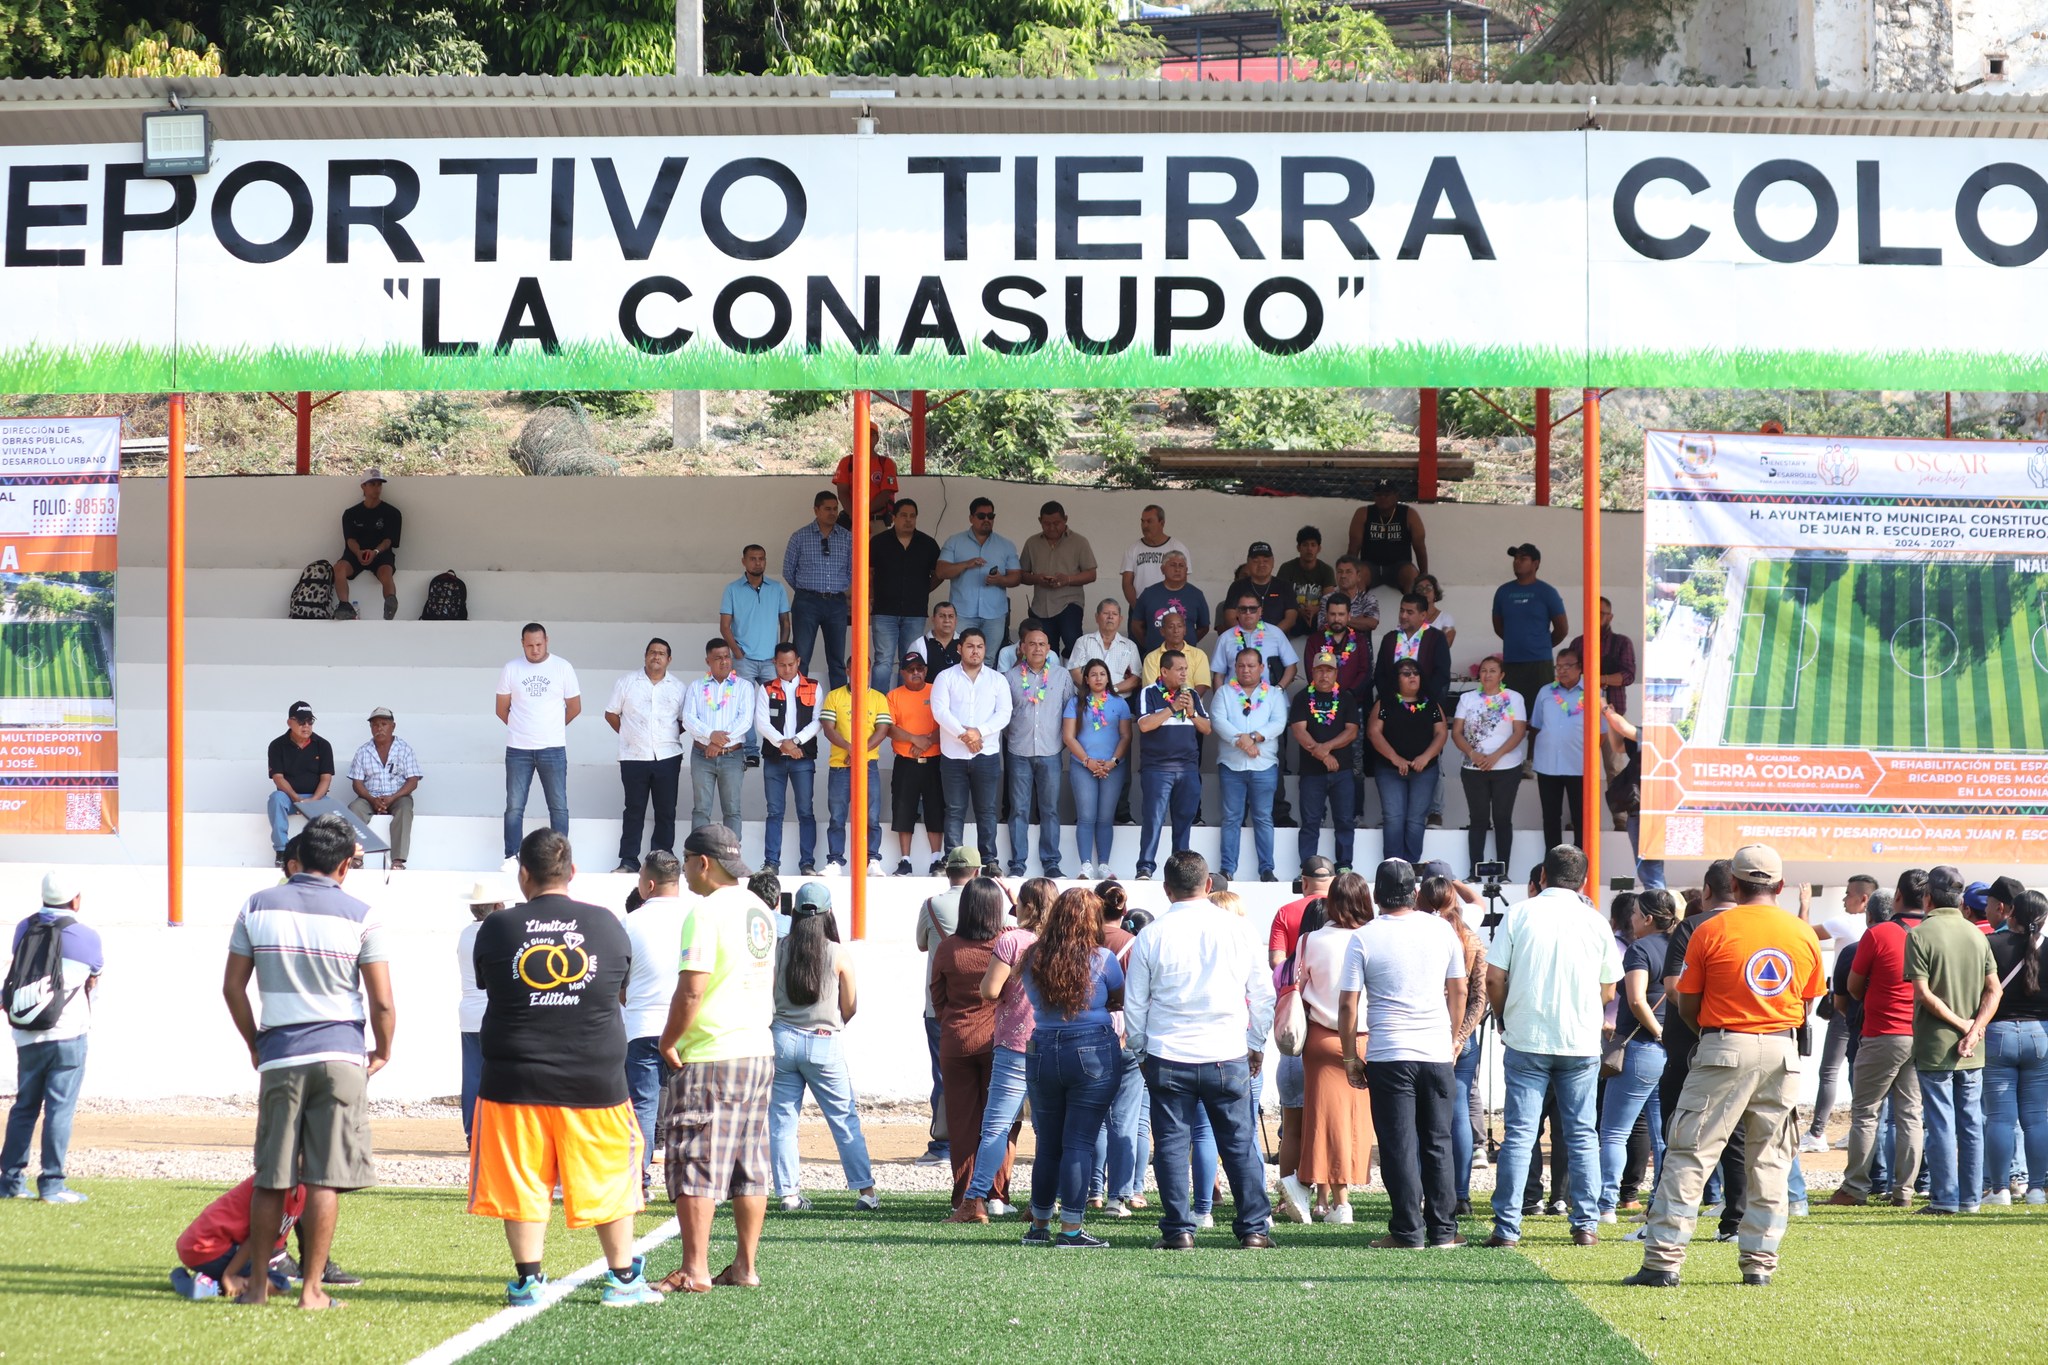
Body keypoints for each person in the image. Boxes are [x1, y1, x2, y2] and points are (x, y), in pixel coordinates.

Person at [1624, 844, 1824, 1289]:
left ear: (1732, 884)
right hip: (1782, 1050)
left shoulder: (1712, 928)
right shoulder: (1802, 932)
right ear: (1780, 886)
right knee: (1771, 1160)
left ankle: (1663, 1262)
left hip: (1723, 1044)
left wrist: (1713, 1036)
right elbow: (1808, 999)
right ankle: (1759, 1265)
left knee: (1691, 1153)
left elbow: (1687, 1000)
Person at [465, 829, 651, 1306]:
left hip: (513, 1079)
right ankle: (623, 1278)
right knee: (611, 1176)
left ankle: (528, 1280)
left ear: (523, 874)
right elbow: (615, 985)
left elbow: (490, 984)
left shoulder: (497, 928)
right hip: (595, 1081)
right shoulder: (608, 924)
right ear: (572, 873)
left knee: (522, 1180)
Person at [220, 813, 394, 1309]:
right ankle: (312, 1291)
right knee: (324, 1176)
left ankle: (257, 1289)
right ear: (343, 865)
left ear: (297, 859)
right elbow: (382, 1002)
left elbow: (233, 986)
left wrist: (255, 1042)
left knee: (273, 1174)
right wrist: (382, 1050)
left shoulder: (257, 905)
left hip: (280, 1054)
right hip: (341, 1054)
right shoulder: (362, 914)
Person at [650, 824, 776, 1293]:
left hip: (710, 1053)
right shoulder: (759, 910)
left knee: (694, 1156)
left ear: (703, 862)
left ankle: (695, 1268)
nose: (683, 872)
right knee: (749, 1162)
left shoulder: (704, 913)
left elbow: (692, 990)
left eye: (686, 862)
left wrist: (668, 1041)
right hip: (757, 1050)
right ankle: (745, 1265)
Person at [1483, 844, 1619, 1249]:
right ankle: (1585, 1224)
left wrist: (1507, 1015)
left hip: (1527, 1037)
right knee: (1581, 1134)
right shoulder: (1596, 922)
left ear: (1542, 876)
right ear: (1583, 881)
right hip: (1579, 1041)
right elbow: (1609, 989)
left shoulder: (1519, 914)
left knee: (1521, 1135)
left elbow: (1493, 979)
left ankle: (1507, 1228)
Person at [1338, 860, 1468, 1248]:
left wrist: (1350, 1056)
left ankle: (1408, 1230)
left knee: (1398, 1145)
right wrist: (1453, 1038)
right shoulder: (1442, 928)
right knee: (1437, 1140)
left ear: (1376, 896)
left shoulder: (1364, 937)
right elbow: (1459, 990)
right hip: (1435, 1049)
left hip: (1390, 1052)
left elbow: (1348, 1005)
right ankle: (1444, 1230)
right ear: (1416, 893)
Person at [1013, 887, 1126, 1247]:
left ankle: (1039, 1225)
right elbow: (1119, 998)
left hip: (1043, 1047)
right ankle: (1071, 1230)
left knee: (1048, 1143)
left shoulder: (1033, 956)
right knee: (1079, 1142)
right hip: (1092, 1048)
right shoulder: (1103, 958)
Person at [768, 883, 880, 1213]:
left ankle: (789, 1194)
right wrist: (834, 1022)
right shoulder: (838, 953)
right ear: (828, 913)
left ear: (795, 912)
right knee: (844, 1119)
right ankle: (866, 1192)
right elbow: (851, 1005)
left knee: (782, 1122)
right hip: (824, 1040)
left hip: (782, 1039)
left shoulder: (780, 948)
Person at [954, 878, 1053, 1223]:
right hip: (1051, 1043)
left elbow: (989, 990)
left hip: (1014, 1042)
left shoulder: (1012, 940)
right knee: (1047, 1131)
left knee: (995, 1126)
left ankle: (974, 1200)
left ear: (1024, 906)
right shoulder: (1059, 942)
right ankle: (1042, 1203)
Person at [1907, 864, 2001, 1215]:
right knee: (1971, 1122)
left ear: (1928, 897)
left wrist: (1962, 1025)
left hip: (1936, 1044)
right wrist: (1975, 1029)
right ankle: (1971, 1199)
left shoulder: (1920, 934)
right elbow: (1994, 991)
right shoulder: (1977, 934)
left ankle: (1945, 1197)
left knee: (1941, 1123)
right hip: (1973, 1048)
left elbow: (1923, 994)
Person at [2, 872, 101, 1204]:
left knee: (24, 1107)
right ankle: (52, 1184)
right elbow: (94, 980)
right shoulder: (86, 936)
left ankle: (10, 1182)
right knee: (59, 1109)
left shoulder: (23, 928)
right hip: (68, 1034)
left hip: (27, 1033)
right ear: (75, 900)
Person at [1296, 872, 1376, 1224]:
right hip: (1363, 1037)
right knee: (1352, 1122)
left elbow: (1297, 987)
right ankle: (1340, 1199)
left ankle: (1326, 1198)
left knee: (1322, 1118)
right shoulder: (1373, 937)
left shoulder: (1310, 941)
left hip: (1319, 1035)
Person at [931, 879, 1014, 1212]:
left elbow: (937, 997)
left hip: (956, 1041)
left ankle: (966, 1196)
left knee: (963, 1124)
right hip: (999, 1041)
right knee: (1001, 1121)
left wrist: (953, 1021)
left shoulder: (948, 949)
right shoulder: (1006, 943)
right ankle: (997, 1194)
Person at [1598, 889, 1678, 1222]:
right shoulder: (1677, 947)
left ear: (1647, 918)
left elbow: (1635, 1000)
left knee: (1614, 1131)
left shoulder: (1639, 949)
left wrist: (1657, 1033)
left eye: (1635, 914)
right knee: (1662, 1135)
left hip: (1641, 1047)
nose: (1630, 920)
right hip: (1667, 1051)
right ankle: (1658, 1205)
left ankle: (1605, 1205)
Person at [1421, 873, 1488, 1215]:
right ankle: (1460, 1195)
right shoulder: (1469, 938)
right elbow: (1479, 996)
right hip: (1461, 1037)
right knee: (1459, 1112)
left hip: (1422, 1032)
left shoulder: (1417, 936)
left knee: (1422, 1115)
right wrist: (1460, 1038)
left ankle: (1424, 1191)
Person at [623, 853, 688, 1198]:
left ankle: (639, 1182)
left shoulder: (631, 922)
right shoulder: (697, 917)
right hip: (687, 1026)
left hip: (642, 1026)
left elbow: (620, 984)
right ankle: (688, 1183)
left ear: (648, 885)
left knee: (643, 1105)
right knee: (688, 1106)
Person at [1800, 873, 1879, 1152]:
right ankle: (1859, 1130)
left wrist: (1805, 904)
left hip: (1844, 1004)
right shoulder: (1877, 928)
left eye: (1848, 894)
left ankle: (1817, 1132)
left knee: (1829, 1071)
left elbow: (1802, 933)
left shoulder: (1845, 922)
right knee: (1856, 1069)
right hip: (1870, 1005)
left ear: (1863, 899)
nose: (1845, 899)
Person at [495, 624, 581, 867]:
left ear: (547, 641)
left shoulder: (562, 667)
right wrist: (522, 728)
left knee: (558, 806)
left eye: (539, 644)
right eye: (530, 645)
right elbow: (501, 709)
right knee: (514, 806)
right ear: (522, 643)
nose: (535, 650)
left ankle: (561, 859)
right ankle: (511, 856)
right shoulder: (511, 669)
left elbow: (574, 707)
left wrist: (551, 728)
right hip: (518, 749)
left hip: (553, 748)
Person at [1984, 889, 2048, 1206]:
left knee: (1999, 1119)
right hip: (2040, 1036)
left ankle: (1999, 1190)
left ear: (2011, 913)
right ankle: (2036, 1189)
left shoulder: (1992, 944)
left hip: (1997, 1034)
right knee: (2037, 1118)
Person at [915, 850, 978, 1171]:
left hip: (939, 1005)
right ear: (977, 871)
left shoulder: (932, 905)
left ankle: (943, 1145)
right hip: (982, 1004)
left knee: (943, 1076)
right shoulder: (989, 903)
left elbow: (921, 944)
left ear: (948, 872)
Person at [932, 629, 1011, 874]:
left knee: (986, 810)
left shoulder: (997, 679)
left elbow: (1004, 713)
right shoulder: (945, 677)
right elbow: (940, 711)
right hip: (954, 755)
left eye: (979, 646)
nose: (975, 650)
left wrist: (979, 732)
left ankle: (988, 860)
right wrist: (965, 735)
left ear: (985, 649)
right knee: (954, 809)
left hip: (985, 755)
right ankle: (953, 860)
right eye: (970, 646)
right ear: (959, 649)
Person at [605, 637, 686, 873]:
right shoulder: (627, 682)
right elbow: (611, 714)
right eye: (652, 652)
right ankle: (629, 860)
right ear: (645, 655)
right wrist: (630, 734)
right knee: (634, 809)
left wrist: (663, 735)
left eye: (661, 653)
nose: (656, 656)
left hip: (668, 756)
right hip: (633, 757)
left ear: (669, 659)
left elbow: (683, 721)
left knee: (666, 810)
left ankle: (661, 861)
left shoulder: (678, 687)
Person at [1211, 646, 1288, 883]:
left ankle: (1266, 869)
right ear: (1235, 668)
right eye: (1241, 665)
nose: (1246, 670)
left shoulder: (1274, 694)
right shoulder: (1224, 692)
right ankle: (1227, 869)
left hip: (1264, 765)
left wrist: (1252, 737)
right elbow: (1218, 720)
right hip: (1231, 765)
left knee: (1263, 817)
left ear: (1261, 668)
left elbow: (1279, 723)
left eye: (1251, 666)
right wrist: (1241, 741)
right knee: (1231, 817)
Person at [1133, 650, 1210, 882]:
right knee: (1153, 820)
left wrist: (1192, 712)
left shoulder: (1192, 694)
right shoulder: (1149, 692)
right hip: (1157, 768)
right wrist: (1172, 707)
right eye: (1179, 669)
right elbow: (1145, 725)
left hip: (1187, 769)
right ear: (1164, 671)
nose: (1185, 673)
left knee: (1184, 821)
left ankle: (1180, 873)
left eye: (1186, 668)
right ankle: (1145, 868)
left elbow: (1206, 728)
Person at [1005, 623, 1073, 879]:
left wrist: (1062, 741)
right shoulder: (1010, 677)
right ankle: (1017, 864)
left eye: (1041, 644)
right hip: (1019, 752)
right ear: (1022, 647)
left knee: (1050, 809)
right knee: (1019, 809)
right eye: (1031, 643)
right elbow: (1004, 717)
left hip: (1051, 751)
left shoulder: (1061, 676)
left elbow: (1070, 712)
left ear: (1049, 649)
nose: (1036, 648)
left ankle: (1051, 863)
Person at [1453, 658, 1529, 876]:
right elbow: (1456, 732)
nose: (1487, 675)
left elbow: (1519, 732)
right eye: (1484, 671)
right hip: (1472, 768)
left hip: (1506, 767)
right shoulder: (1467, 698)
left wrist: (1495, 756)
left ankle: (1503, 871)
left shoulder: (1514, 698)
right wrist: (1472, 754)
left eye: (1493, 671)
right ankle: (1474, 870)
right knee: (1478, 819)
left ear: (1502, 675)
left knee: (1502, 819)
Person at [169, 1176, 303, 1300]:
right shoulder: (275, 1184)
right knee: (280, 1283)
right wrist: (230, 1275)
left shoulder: (298, 1192)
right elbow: (257, 1239)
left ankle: (183, 1277)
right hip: (209, 1247)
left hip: (198, 1245)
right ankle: (210, 1288)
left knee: (267, 1276)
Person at [1368, 660, 1448, 864]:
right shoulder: (1385, 704)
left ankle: (1411, 867)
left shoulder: (1431, 704)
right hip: (1389, 770)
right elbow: (1374, 732)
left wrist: (1426, 757)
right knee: (1394, 818)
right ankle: (1393, 867)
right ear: (1396, 679)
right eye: (1406, 673)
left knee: (1415, 820)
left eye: (1416, 673)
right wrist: (1395, 758)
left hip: (1424, 770)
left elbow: (1440, 733)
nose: (1412, 676)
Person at [719, 544, 791, 766]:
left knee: (777, 706)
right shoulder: (732, 589)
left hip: (770, 660)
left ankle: (777, 747)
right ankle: (751, 751)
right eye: (753, 558)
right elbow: (725, 626)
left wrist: (780, 651)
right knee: (745, 707)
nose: (757, 562)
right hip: (745, 660)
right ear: (744, 562)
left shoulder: (777, 589)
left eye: (761, 558)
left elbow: (785, 622)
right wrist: (738, 652)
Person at [753, 642, 821, 877]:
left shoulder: (813, 686)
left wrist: (796, 742)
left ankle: (807, 864)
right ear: (774, 663)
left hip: (802, 758)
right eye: (781, 664)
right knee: (774, 812)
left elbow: (818, 721)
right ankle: (771, 863)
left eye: (791, 664)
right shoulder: (766, 688)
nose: (786, 668)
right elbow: (762, 723)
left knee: (805, 811)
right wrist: (784, 744)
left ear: (799, 662)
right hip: (774, 758)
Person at [1529, 647, 1606, 852]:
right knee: (1551, 817)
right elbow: (1536, 725)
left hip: (1579, 766)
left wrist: (1586, 755)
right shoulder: (1545, 692)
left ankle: (1580, 863)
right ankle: (1553, 863)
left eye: (1568, 666)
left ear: (1580, 667)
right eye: (1559, 666)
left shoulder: (1593, 692)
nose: (1562, 671)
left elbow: (1602, 733)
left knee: (1581, 818)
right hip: (1547, 765)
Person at [1062, 660, 1133, 881]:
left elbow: (1126, 736)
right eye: (1093, 674)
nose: (1099, 678)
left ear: (1109, 678)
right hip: (1083, 766)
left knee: (1105, 817)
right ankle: (1085, 865)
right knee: (1086, 817)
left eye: (1103, 674)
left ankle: (1103, 864)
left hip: (1112, 767)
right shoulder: (1075, 703)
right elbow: (1068, 736)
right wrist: (1087, 761)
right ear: (1086, 679)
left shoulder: (1120, 703)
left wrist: (1113, 761)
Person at [1291, 652, 1362, 872]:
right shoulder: (1302, 698)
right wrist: (1323, 755)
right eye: (1320, 670)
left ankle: (1344, 866)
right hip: (1312, 772)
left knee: (1344, 821)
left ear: (1336, 673)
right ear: (1312, 672)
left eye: (1329, 670)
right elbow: (1299, 732)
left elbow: (1351, 732)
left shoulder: (1346, 698)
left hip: (1342, 771)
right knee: (1310, 822)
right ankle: (1308, 867)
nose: (1324, 674)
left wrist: (1326, 748)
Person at [683, 638, 755, 838]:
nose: (724, 661)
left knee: (732, 809)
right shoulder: (697, 687)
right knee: (701, 809)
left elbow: (745, 720)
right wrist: (710, 735)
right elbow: (688, 718)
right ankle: (697, 856)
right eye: (718, 658)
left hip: (732, 755)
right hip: (701, 755)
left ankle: (731, 859)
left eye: (727, 657)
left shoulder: (744, 687)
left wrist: (716, 742)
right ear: (708, 661)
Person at [455, 878, 507, 1148]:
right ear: (497, 905)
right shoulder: (499, 932)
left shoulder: (466, 933)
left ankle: (473, 1133)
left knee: (473, 1074)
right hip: (494, 1012)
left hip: (470, 1012)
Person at [784, 489, 853, 690]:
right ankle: (797, 702)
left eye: (835, 509)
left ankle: (838, 707)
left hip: (836, 603)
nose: (832, 513)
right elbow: (788, 570)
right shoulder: (800, 536)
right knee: (801, 657)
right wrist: (807, 591)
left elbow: (852, 570)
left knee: (837, 660)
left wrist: (837, 587)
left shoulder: (847, 538)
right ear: (816, 510)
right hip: (807, 602)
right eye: (827, 509)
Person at [821, 676, 890, 877]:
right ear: (848, 670)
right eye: (854, 669)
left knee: (872, 816)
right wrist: (850, 748)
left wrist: (859, 752)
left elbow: (883, 729)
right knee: (837, 816)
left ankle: (873, 860)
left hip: (868, 765)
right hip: (840, 766)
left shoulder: (878, 698)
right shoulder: (834, 696)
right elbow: (828, 728)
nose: (860, 673)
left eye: (865, 669)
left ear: (868, 671)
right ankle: (835, 860)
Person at [869, 497, 940, 692]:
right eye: (903, 516)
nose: (908, 520)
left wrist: (923, 589)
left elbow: (939, 573)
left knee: (910, 660)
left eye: (912, 516)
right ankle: (879, 709)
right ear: (894, 517)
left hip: (915, 612)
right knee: (883, 660)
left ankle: (904, 707)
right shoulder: (879, 542)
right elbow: (868, 573)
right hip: (884, 611)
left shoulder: (928, 544)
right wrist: (872, 596)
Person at [886, 653, 946, 876]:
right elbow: (889, 728)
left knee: (936, 809)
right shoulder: (893, 696)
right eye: (910, 669)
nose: (916, 673)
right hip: (905, 762)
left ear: (926, 670)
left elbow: (948, 722)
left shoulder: (936, 691)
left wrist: (927, 740)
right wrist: (915, 739)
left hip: (934, 761)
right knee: (903, 809)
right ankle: (905, 860)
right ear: (902, 673)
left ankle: (936, 860)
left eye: (920, 668)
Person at [342, 707, 422, 871]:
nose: (379, 728)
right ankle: (356, 858)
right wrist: (372, 799)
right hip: (369, 797)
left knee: (405, 808)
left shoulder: (404, 749)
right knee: (354, 808)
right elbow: (357, 783)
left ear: (393, 726)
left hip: (398, 796)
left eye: (384, 724)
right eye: (375, 725)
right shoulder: (363, 751)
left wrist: (392, 797)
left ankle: (398, 860)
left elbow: (413, 781)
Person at [936, 496, 1022, 647]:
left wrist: (1000, 580)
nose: (986, 519)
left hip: (994, 615)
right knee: (960, 657)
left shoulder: (1006, 545)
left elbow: (1016, 577)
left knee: (988, 660)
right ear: (971, 518)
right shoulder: (954, 541)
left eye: (991, 516)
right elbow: (941, 572)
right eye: (981, 516)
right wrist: (966, 564)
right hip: (963, 613)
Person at [1017, 501, 1097, 657]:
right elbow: (1022, 575)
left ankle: (1073, 677)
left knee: (1073, 641)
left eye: (1056, 523)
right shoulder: (1032, 543)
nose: (1052, 528)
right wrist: (1037, 579)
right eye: (1047, 524)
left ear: (1065, 519)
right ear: (1040, 521)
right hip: (1041, 606)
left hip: (1070, 602)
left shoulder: (1079, 542)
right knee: (1046, 649)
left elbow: (1091, 574)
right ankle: (1049, 679)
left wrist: (1067, 579)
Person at [1493, 544, 1569, 708]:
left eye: (1523, 558)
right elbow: (1498, 626)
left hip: (1539, 664)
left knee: (1540, 712)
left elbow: (1562, 629)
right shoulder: (1503, 592)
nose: (1517, 562)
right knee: (1512, 713)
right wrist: (1516, 642)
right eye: (1515, 558)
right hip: (1511, 662)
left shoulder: (1547, 592)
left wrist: (1540, 644)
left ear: (1536, 563)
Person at [266, 700, 334, 869]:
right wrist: (295, 798)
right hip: (289, 797)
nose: (306, 726)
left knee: (332, 808)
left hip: (316, 797)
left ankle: (321, 854)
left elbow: (326, 778)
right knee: (275, 799)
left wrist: (314, 800)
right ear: (290, 722)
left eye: (310, 722)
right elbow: (278, 778)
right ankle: (282, 851)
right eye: (301, 722)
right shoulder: (277, 745)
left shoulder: (323, 745)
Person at [330, 469, 400, 621]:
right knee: (339, 568)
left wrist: (375, 551)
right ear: (363, 486)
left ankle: (390, 601)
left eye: (379, 485)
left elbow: (389, 541)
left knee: (386, 571)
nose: (377, 488)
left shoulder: (392, 513)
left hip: (380, 553)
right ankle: (344, 605)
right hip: (355, 553)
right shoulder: (350, 513)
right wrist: (358, 552)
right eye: (372, 484)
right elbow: (350, 540)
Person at [1346, 479, 1428, 593]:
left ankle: (1412, 608)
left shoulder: (1409, 514)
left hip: (1400, 567)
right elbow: (1353, 547)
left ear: (1396, 496)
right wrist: (1349, 573)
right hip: (1370, 566)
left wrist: (1425, 577)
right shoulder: (1363, 513)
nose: (1383, 498)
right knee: (1358, 575)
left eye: (1387, 494)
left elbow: (1420, 548)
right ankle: (1356, 609)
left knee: (1412, 574)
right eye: (1379, 494)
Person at [1374, 593, 1453, 707]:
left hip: (1425, 704)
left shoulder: (1436, 638)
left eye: (1409, 612)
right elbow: (1380, 673)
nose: (1403, 616)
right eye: (1402, 611)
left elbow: (1442, 673)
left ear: (1423, 615)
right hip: (1392, 703)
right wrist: (1390, 697)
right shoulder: (1389, 638)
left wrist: (1423, 698)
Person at [1210, 590, 1299, 689]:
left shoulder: (1276, 634)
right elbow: (1219, 675)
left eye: (1252, 609)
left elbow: (1291, 666)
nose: (1248, 613)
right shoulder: (1225, 638)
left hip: (1271, 699)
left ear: (1260, 611)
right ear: (1237, 612)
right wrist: (1220, 700)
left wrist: (1279, 689)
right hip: (1234, 700)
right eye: (1243, 609)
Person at [1569, 596, 1637, 720]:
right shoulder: (1577, 643)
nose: (1594, 617)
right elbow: (1570, 674)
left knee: (1612, 740)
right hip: (1581, 712)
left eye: (1600, 613)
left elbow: (1628, 676)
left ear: (1610, 617)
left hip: (1613, 713)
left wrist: (1600, 679)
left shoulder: (1622, 642)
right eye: (1591, 612)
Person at [1133, 551, 1211, 654]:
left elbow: (1204, 627)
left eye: (1181, 566)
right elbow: (1136, 625)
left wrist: (1185, 643)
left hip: (1186, 658)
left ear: (1186, 570)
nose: (1177, 569)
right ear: (1162, 569)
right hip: (1155, 657)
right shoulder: (1149, 593)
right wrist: (1148, 644)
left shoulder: (1196, 595)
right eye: (1173, 565)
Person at [1067, 598, 1143, 704]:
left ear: (1120, 619)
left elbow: (1137, 677)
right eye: (1106, 613)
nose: (1110, 617)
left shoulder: (1130, 646)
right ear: (1097, 617)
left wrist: (1112, 690)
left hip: (1120, 701)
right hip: (1088, 701)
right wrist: (1095, 691)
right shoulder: (1083, 641)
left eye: (1114, 614)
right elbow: (1075, 671)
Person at [832, 418, 899, 532]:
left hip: (877, 521)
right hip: (852, 520)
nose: (866, 437)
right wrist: (853, 515)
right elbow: (842, 492)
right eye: (861, 433)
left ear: (876, 438)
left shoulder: (886, 463)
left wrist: (862, 514)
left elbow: (886, 493)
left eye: (871, 434)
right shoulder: (846, 462)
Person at [1121, 503, 1191, 609]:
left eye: (1149, 521)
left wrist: (1172, 605)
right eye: (1142, 521)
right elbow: (1127, 583)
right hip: (1140, 606)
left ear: (1162, 523)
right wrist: (1138, 608)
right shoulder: (1133, 549)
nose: (1144, 526)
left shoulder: (1178, 548)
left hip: (1169, 607)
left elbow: (1182, 580)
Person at [1269, 856, 1335, 967]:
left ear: (1304, 882)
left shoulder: (1285, 912)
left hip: (1296, 983)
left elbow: (1276, 960)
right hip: (1335, 983)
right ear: (1334, 881)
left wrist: (1298, 975)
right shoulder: (1344, 909)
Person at [1222, 541, 1296, 635]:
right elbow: (1230, 617)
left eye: (1265, 561)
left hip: (1276, 640)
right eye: (1256, 561)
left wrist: (1270, 636)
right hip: (1243, 641)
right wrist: (1247, 636)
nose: (1261, 564)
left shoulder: (1284, 586)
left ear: (1273, 562)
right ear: (1248, 563)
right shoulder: (1237, 586)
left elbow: (1291, 618)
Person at [1277, 527, 1336, 640]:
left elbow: (1329, 600)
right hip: (1292, 615)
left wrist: (1315, 609)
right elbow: (1280, 597)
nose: (1309, 549)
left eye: (1313, 545)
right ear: (1298, 548)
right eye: (1305, 545)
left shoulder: (1326, 570)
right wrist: (1298, 611)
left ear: (1319, 548)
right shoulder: (1287, 568)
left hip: (1317, 617)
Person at [1141, 609, 1214, 694]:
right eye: (1171, 627)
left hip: (1191, 704)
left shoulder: (1199, 655)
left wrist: (1186, 701)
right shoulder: (1151, 658)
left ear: (1185, 630)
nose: (1176, 631)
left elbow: (1202, 685)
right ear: (1162, 631)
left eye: (1180, 626)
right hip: (1162, 706)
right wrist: (1173, 704)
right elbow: (1153, 687)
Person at [1320, 556, 1381, 636]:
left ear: (1358, 576)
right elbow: (1322, 626)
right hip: (1332, 646)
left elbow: (1372, 623)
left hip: (1360, 647)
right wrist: (1359, 620)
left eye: (1348, 572)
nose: (1343, 576)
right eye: (1340, 572)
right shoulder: (1327, 599)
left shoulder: (1367, 599)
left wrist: (1338, 619)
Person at [907, 601, 964, 678]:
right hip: (929, 690)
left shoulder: (965, 643)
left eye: (950, 616)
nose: (947, 620)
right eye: (942, 616)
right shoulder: (919, 645)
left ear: (956, 620)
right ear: (933, 619)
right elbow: (911, 677)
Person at [1415, 573, 1456, 646]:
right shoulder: (1409, 616)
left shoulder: (1445, 618)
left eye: (1428, 588)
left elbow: (1447, 644)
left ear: (1435, 593)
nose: (1424, 592)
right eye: (1419, 589)